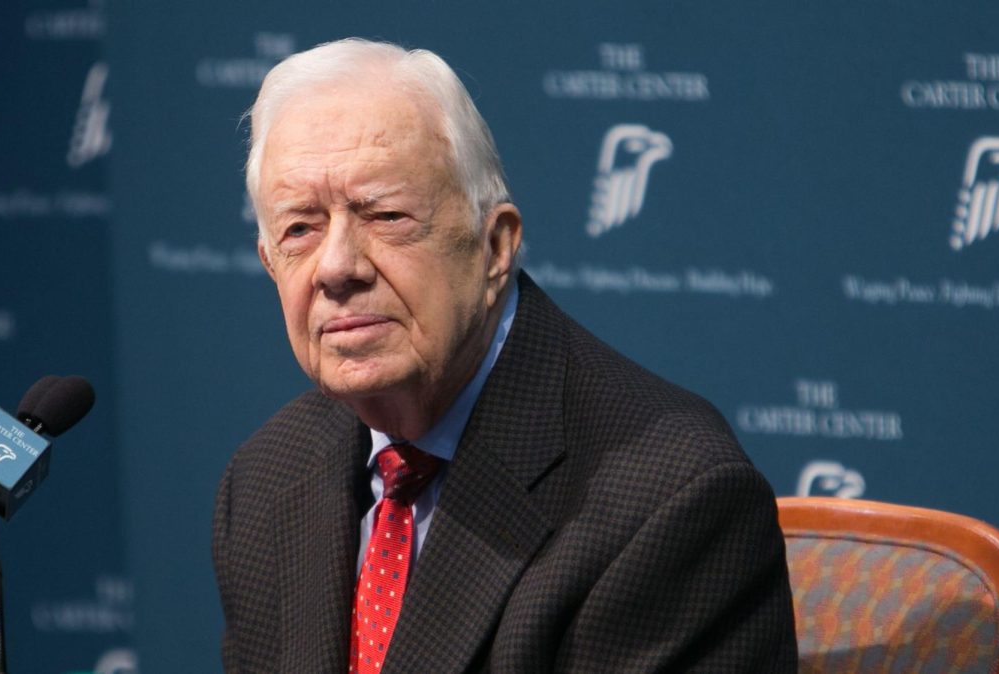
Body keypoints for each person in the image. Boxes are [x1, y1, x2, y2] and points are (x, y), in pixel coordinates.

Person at [213, 38, 797, 672]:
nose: (337, 267)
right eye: (300, 228)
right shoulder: (267, 479)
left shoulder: (669, 500)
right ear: (270, 263)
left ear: (495, 247)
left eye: (384, 215)